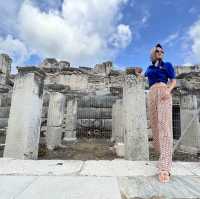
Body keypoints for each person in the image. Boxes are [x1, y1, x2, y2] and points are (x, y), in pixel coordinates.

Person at [144, 43, 176, 183]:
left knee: (164, 125)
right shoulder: (149, 68)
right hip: (151, 93)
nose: (161, 53)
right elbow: (143, 77)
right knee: (155, 126)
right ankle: (161, 157)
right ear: (153, 53)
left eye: (162, 51)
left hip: (163, 91)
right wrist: (137, 72)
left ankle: (165, 167)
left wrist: (168, 91)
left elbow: (173, 81)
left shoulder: (167, 65)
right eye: (158, 51)